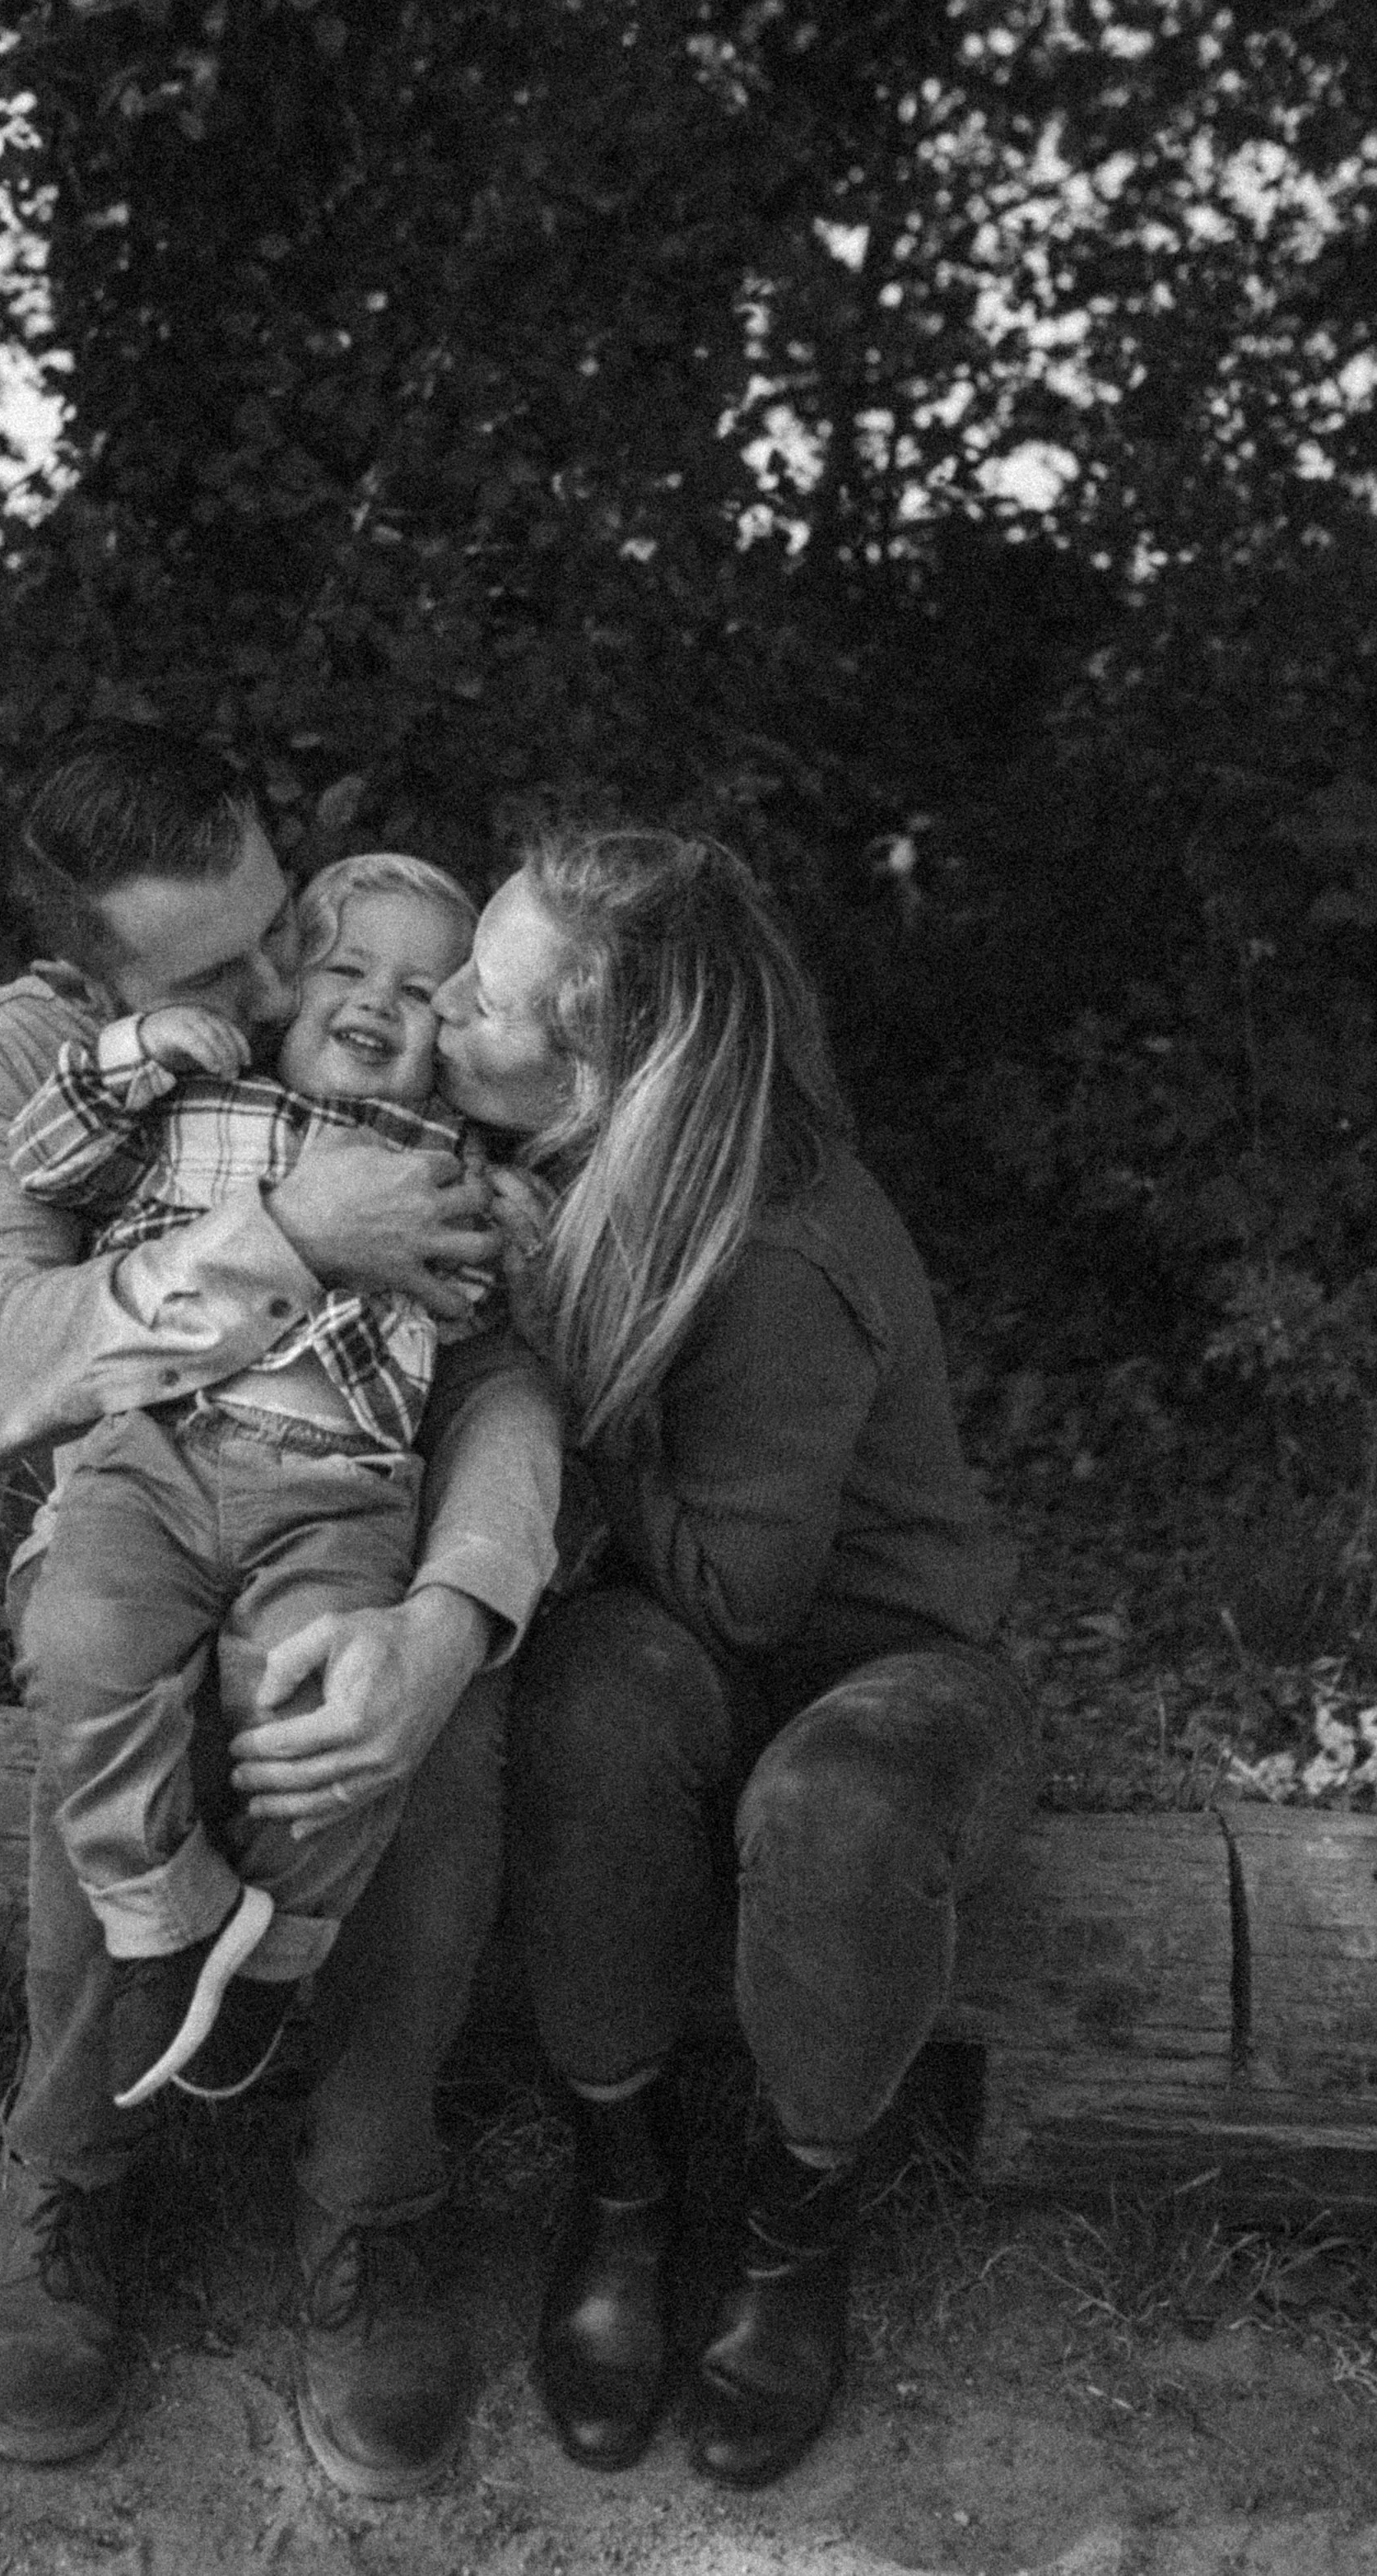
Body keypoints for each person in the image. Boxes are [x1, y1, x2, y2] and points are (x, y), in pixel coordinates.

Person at [0, 732, 560, 2496]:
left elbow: (500, 1374)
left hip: (357, 1505)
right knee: (102, 1680)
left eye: (289, 922)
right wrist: (289, 1232)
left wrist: (454, 1609)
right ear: (97, 977)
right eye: (230, 970)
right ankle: (65, 2178)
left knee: (411, 1721)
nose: (291, 981)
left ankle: (368, 2197)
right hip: (134, 1506)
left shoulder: (392, 1056)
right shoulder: (27, 1057)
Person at [428, 826, 1036, 2492]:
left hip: (883, 1664)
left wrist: (558, 1329)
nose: (440, 1016)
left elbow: (737, 1598)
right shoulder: (577, 1151)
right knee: (586, 1703)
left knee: (832, 1812)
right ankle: (622, 2192)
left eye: (483, 1000)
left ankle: (791, 2236)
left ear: (604, 1059)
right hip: (684, 1645)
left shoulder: (772, 1250)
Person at [2, 853, 510, 2115]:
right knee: (80, 1645)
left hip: (340, 1494)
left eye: (420, 991)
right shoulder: (197, 1096)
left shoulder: (457, 1163)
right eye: (346, 967)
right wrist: (136, 1051)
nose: (377, 1001)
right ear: (289, 992)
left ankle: (280, 1950)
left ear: (448, 1039)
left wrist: (516, 1229)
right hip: (155, 1460)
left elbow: (502, 1315)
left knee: (321, 1707)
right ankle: (164, 1916)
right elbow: (46, 1163)